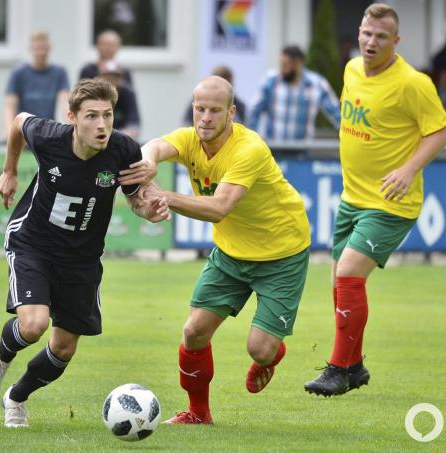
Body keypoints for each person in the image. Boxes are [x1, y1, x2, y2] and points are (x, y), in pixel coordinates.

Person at [0, 78, 170, 428]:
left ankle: (16, 398)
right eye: (92, 116)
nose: (101, 125)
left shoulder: (123, 150)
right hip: (33, 243)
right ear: (72, 117)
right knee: (33, 325)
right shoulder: (50, 137)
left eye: (107, 115)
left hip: (82, 258)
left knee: (64, 349)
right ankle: (0, 357)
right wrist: (9, 171)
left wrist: (149, 210)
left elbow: (136, 200)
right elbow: (19, 122)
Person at [118, 76, 311, 424]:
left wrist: (162, 196)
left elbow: (219, 208)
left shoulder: (248, 149)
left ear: (231, 113)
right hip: (231, 252)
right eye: (199, 109)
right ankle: (198, 414)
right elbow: (155, 147)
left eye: (214, 110)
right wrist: (146, 163)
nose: (205, 117)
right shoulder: (190, 139)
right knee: (193, 332)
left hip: (281, 253)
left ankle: (271, 354)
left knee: (259, 349)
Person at [303, 3, 446, 397]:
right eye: (367, 34)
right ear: (359, 33)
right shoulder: (351, 69)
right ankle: (353, 366)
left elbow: (440, 131)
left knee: (349, 274)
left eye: (381, 37)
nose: (371, 42)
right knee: (338, 281)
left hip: (390, 202)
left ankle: (338, 367)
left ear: (396, 41)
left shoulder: (413, 83)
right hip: (352, 195)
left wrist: (408, 169)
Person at [248, 45, 341, 141]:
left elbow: (336, 113)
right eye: (281, 64)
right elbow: (254, 110)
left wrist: (346, 134)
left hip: (302, 151)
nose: (282, 69)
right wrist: (252, 139)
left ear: (298, 63)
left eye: (285, 65)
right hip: (273, 149)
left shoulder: (317, 84)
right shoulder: (270, 81)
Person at [4, 31, 70, 136]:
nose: (41, 52)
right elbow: (10, 105)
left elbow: (65, 103)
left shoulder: (59, 72)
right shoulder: (18, 72)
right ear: (31, 49)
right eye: (37, 48)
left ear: (49, 49)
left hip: (48, 132)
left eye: (44, 48)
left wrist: (72, 127)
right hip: (23, 132)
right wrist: (9, 130)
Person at [182, 65, 247, 126]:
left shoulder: (239, 105)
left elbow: (244, 127)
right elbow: (187, 122)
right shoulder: (199, 100)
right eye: (201, 109)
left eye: (215, 110)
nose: (207, 118)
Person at [98, 60, 141, 140]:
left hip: (119, 140)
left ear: (121, 79)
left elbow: (133, 127)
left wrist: (113, 138)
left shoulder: (128, 94)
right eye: (107, 77)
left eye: (114, 78)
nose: (110, 81)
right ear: (100, 78)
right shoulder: (92, 95)